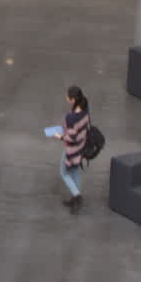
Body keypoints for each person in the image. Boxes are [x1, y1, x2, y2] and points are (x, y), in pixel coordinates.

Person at [51, 85, 89, 214]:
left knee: (64, 173)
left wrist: (60, 136)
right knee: (75, 172)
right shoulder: (85, 108)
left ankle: (77, 196)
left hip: (72, 150)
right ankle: (75, 197)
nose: (66, 97)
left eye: (68, 96)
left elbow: (71, 138)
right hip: (81, 147)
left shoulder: (71, 118)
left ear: (73, 100)